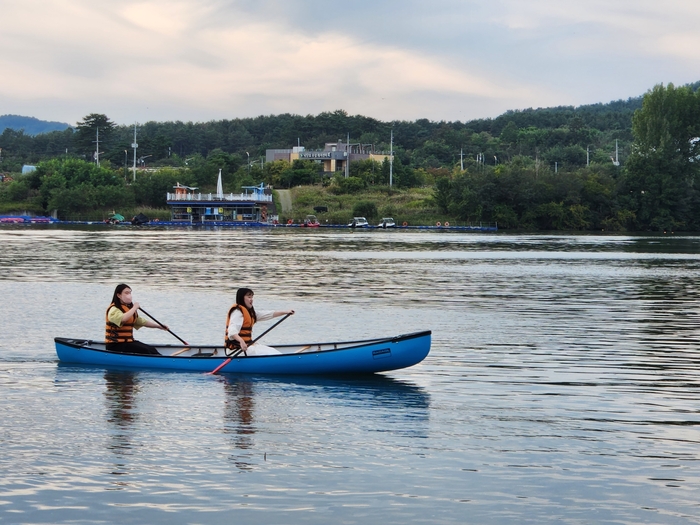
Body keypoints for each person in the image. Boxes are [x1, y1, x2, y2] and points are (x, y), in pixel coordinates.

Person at [225, 287, 294, 356]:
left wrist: (286, 312)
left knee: (272, 351)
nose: (251, 300)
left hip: (247, 347)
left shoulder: (250, 313)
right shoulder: (238, 312)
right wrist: (241, 341)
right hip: (236, 350)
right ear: (242, 298)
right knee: (269, 354)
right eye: (249, 297)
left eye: (252, 297)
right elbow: (232, 331)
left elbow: (267, 314)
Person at [105, 283, 169, 355]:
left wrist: (159, 326)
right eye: (126, 293)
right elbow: (122, 319)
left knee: (151, 349)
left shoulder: (128, 309)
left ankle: (162, 360)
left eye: (130, 293)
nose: (129, 295)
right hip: (115, 345)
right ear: (119, 295)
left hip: (128, 342)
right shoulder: (113, 309)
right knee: (145, 350)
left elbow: (141, 321)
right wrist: (134, 308)